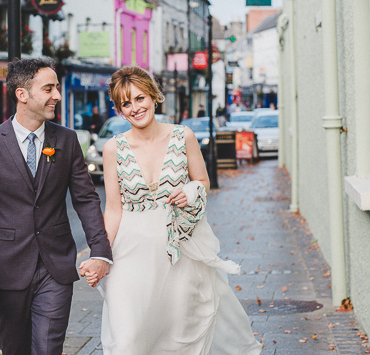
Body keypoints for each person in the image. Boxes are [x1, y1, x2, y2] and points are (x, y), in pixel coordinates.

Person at [88, 66, 262, 354]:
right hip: (129, 252)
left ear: (154, 96)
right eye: (125, 103)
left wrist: (190, 191)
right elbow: (113, 210)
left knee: (177, 333)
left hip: (179, 250)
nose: (135, 108)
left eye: (140, 98)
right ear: (119, 109)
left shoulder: (184, 136)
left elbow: (203, 181)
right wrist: (100, 255)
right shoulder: (112, 149)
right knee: (129, 335)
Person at [0, 58, 113, 355]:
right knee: (14, 349)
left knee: (47, 348)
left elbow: (85, 198)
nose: (57, 95)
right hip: (9, 268)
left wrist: (100, 251)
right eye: (48, 88)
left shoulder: (67, 140)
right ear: (22, 94)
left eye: (57, 87)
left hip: (56, 266)